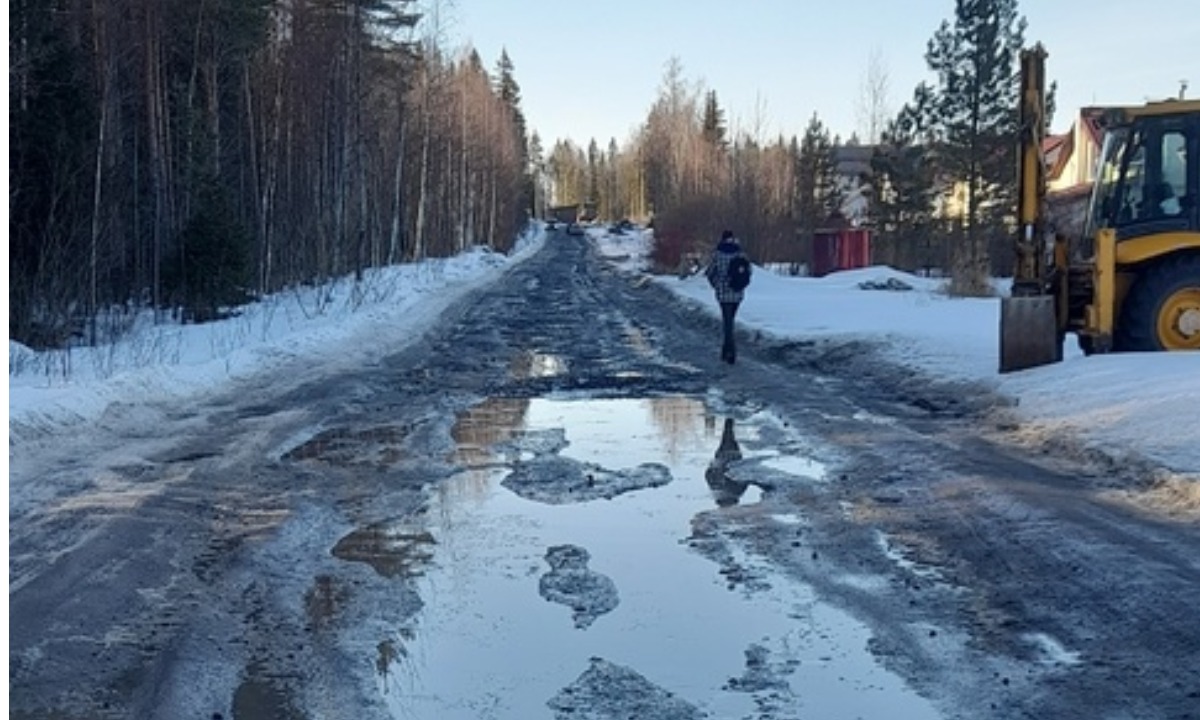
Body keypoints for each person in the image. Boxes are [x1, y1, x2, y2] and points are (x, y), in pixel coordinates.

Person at [704, 230, 751, 363]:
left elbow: (709, 273)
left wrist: (716, 285)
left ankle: (730, 352)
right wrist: (742, 284)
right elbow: (749, 271)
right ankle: (726, 351)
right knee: (730, 321)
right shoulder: (740, 253)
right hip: (737, 292)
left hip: (723, 293)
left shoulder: (718, 255)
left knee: (727, 322)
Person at [705, 418, 747, 507]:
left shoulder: (736, 493)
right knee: (728, 437)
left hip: (729, 459)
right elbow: (708, 475)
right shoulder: (733, 492)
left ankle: (729, 420)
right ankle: (729, 420)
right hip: (728, 459)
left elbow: (708, 475)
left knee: (728, 437)